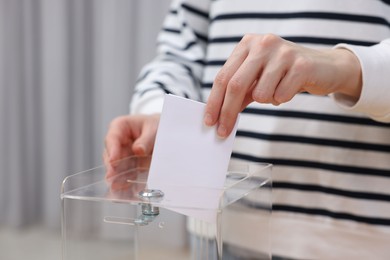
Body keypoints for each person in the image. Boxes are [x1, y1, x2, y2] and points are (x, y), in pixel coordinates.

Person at [104, 0, 390, 259]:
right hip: (218, 233)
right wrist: (161, 112)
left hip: (357, 240)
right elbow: (181, 52)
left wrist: (343, 66)